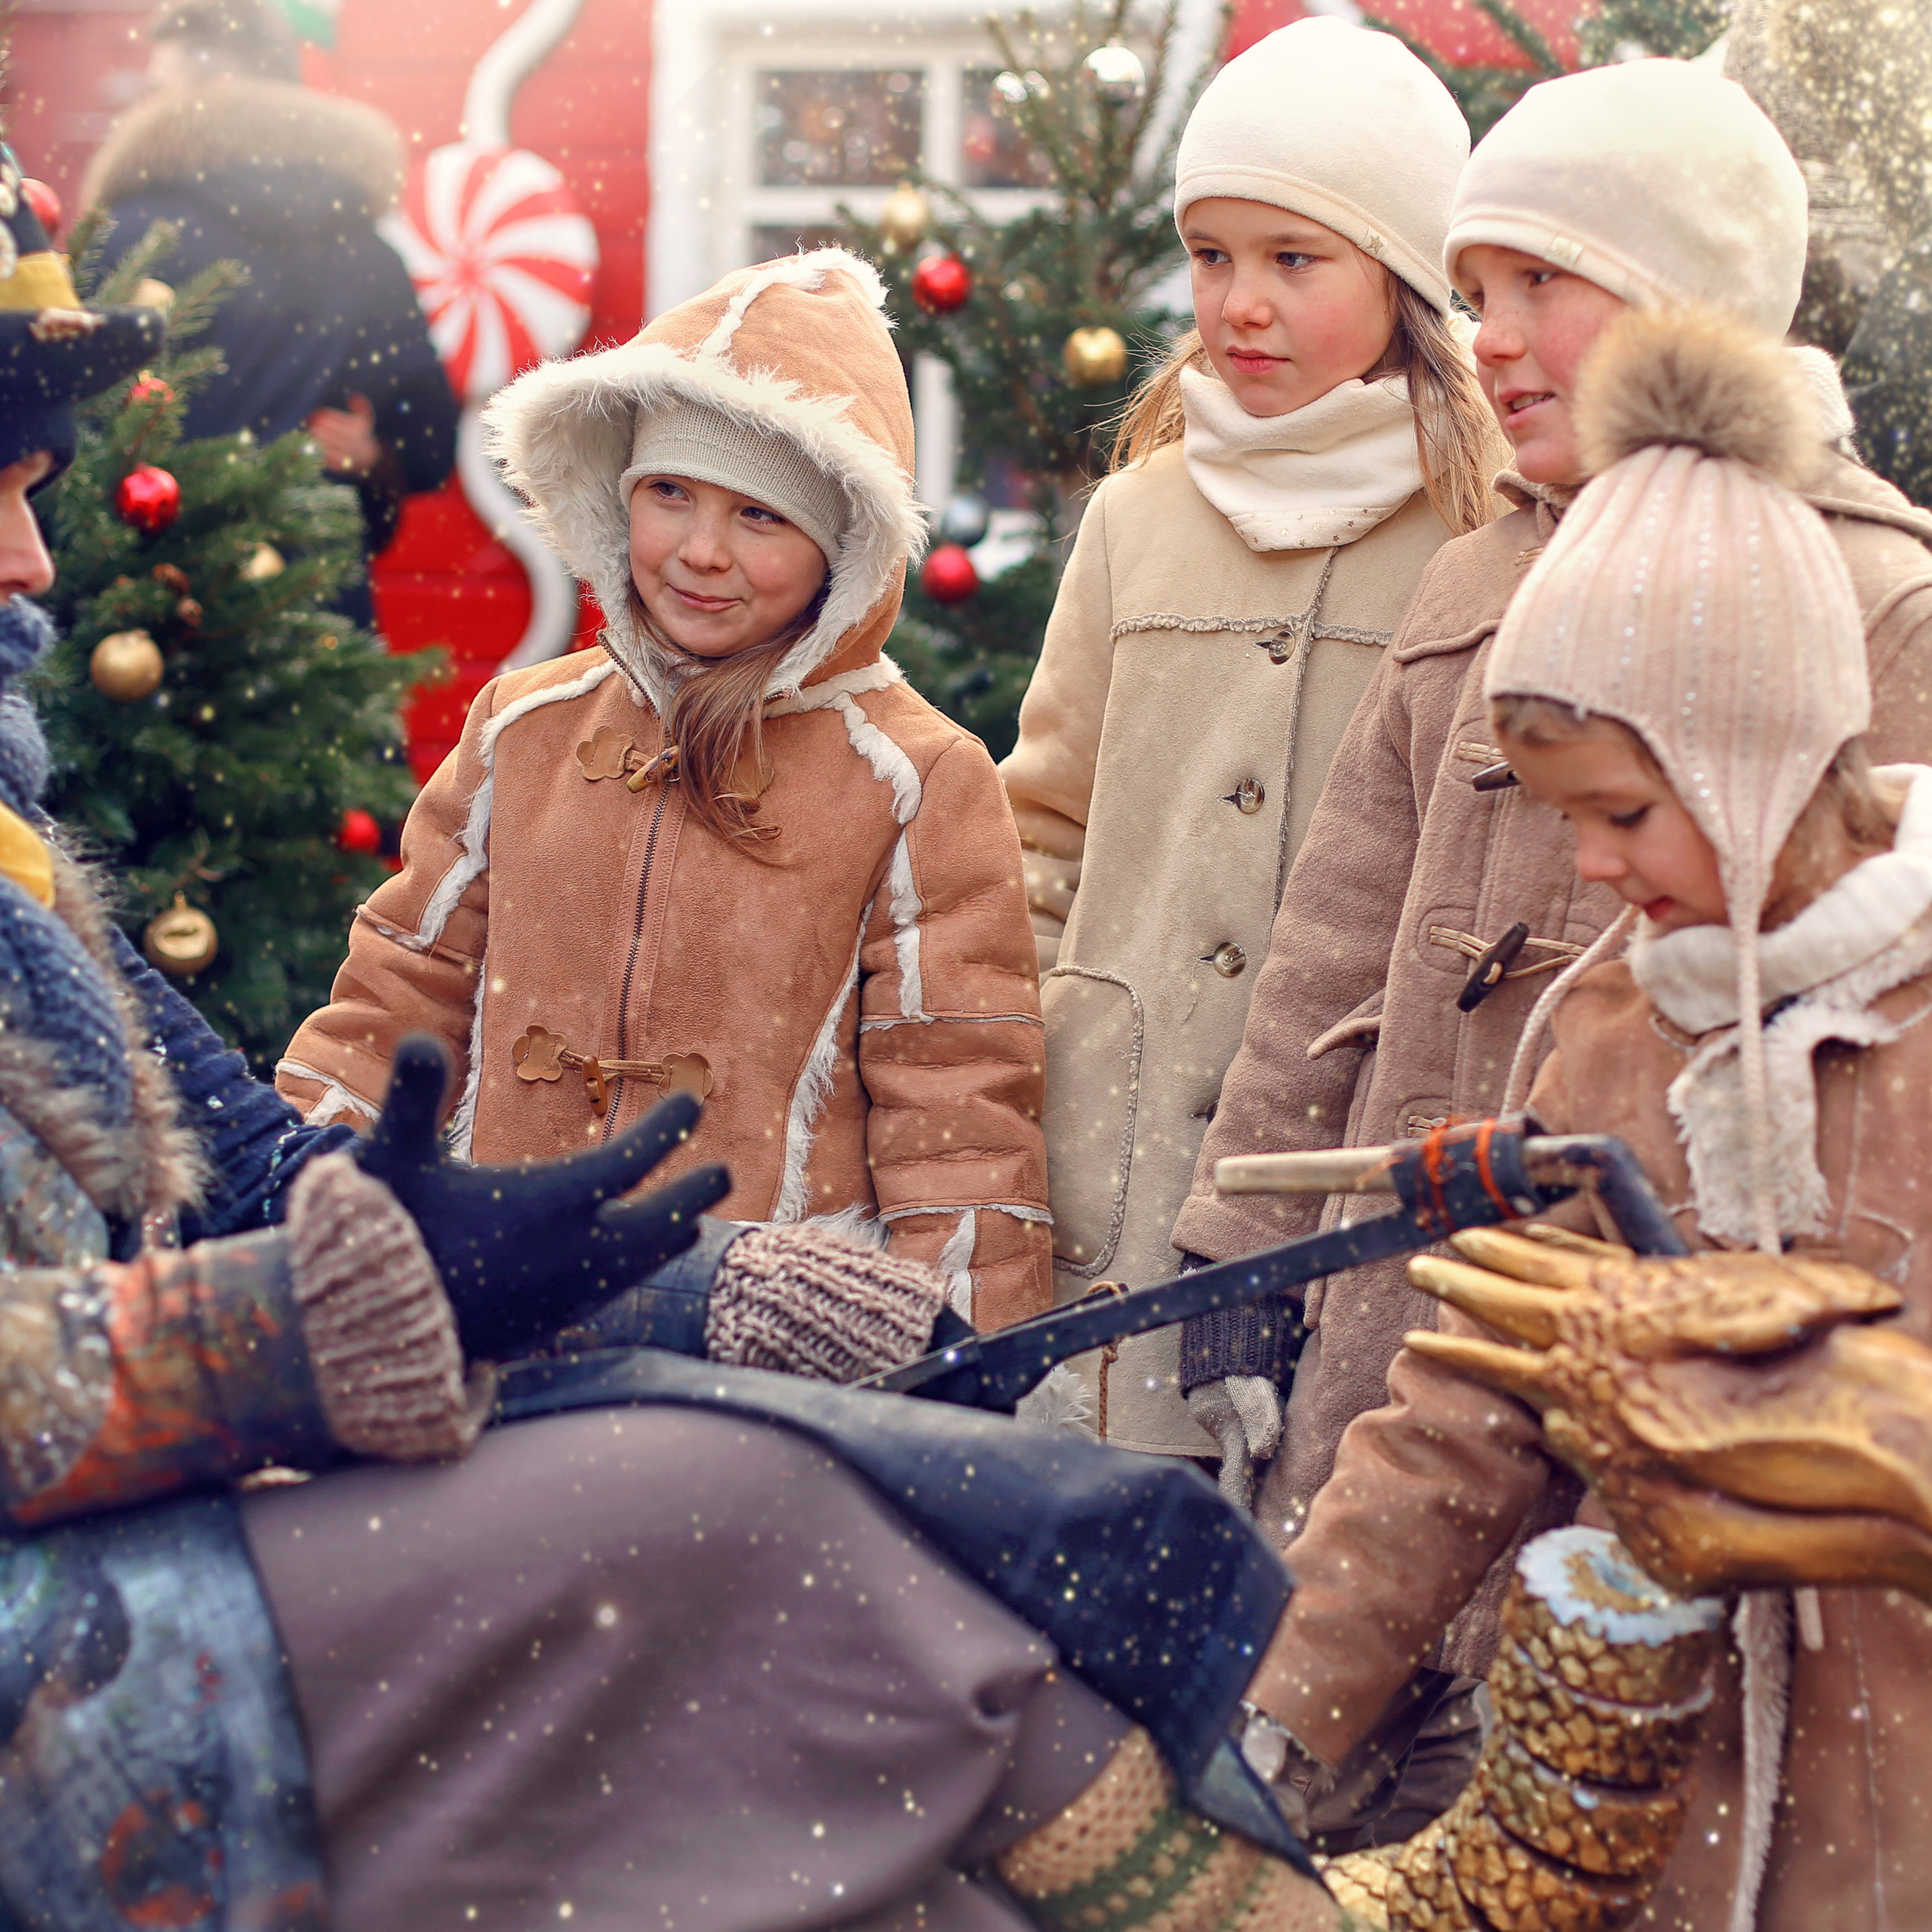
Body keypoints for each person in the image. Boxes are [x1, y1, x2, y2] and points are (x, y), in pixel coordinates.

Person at [0, 184, 1343, 1932]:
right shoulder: (532, 729)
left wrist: (670, 1288)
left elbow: (255, 1160)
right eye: (8, 490)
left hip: (176, 1482)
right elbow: (373, 1029)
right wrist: (350, 1314)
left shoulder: (22, 872)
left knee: (881, 1523)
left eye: (38, 497)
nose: (38, 564)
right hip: (88, 1614)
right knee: (765, 1527)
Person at [1168, 59, 1932, 1827]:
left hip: (1712, 1380)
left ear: (1685, 300)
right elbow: (1330, 942)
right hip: (1419, 1311)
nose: (1488, 336)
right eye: (1473, 286)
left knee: (1639, 1786)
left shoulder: (1865, 595)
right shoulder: (1465, 583)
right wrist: (1246, 1243)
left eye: (1541, 286)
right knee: (1383, 1774)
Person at [276, 248, 1053, 1329]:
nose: (699, 552)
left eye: (760, 517)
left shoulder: (914, 777)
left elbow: (957, 1101)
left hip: (761, 1328)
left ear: (842, 551)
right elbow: (399, 993)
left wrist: (962, 1364)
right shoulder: (525, 729)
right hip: (500, 1293)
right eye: (671, 495)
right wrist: (298, 1196)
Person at [998, 18, 1503, 1461]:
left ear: (1402, 276)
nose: (1241, 302)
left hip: (1360, 1158)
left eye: (1295, 259)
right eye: (1212, 256)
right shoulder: (1138, 518)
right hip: (1120, 1156)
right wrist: (1042, 1043)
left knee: (1324, 1567)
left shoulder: (1484, 532)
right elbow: (1041, 830)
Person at [82, 0, 457, 623]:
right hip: (310, 618)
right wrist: (373, 457)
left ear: (216, 91)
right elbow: (429, 442)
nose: (143, 109)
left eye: (160, 90)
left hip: (149, 613)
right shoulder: (365, 251)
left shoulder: (129, 238)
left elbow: (69, 431)